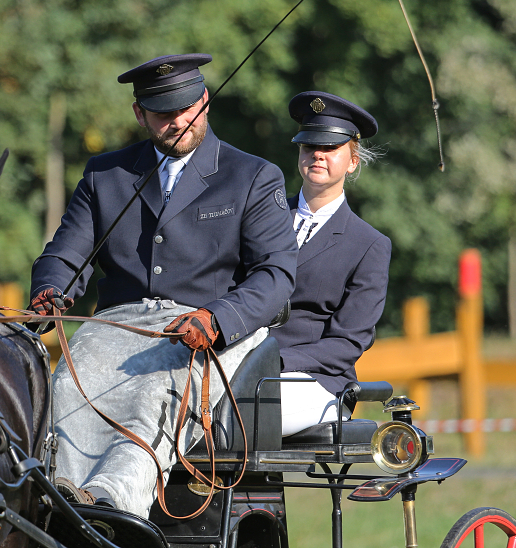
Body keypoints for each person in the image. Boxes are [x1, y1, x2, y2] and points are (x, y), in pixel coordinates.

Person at [28, 54, 297, 517]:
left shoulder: (252, 175)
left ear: (205, 101)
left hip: (205, 326)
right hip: (119, 324)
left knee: (156, 393)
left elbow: (275, 274)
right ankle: (62, 499)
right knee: (66, 386)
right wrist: (51, 291)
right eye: (162, 114)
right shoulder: (104, 174)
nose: (177, 122)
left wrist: (218, 317)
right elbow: (66, 253)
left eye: (187, 109)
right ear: (139, 114)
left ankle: (114, 508)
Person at [272, 91, 392, 437]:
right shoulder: (264, 220)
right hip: (237, 364)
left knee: (242, 413)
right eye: (309, 146)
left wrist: (274, 360)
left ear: (353, 160)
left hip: (314, 380)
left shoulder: (368, 245)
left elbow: (347, 343)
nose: (318, 155)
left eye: (330, 148)